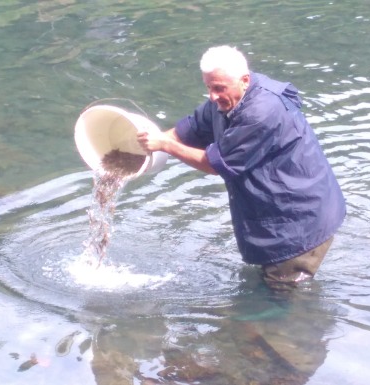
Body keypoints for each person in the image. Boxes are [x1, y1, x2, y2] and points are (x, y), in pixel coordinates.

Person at [137, 45, 346, 290]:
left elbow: (217, 164)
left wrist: (164, 145)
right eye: (208, 87)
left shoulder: (262, 111)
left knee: (282, 299)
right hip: (274, 214)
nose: (213, 96)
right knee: (267, 291)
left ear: (244, 80)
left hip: (298, 224)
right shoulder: (225, 100)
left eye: (219, 88)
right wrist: (151, 142)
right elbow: (191, 129)